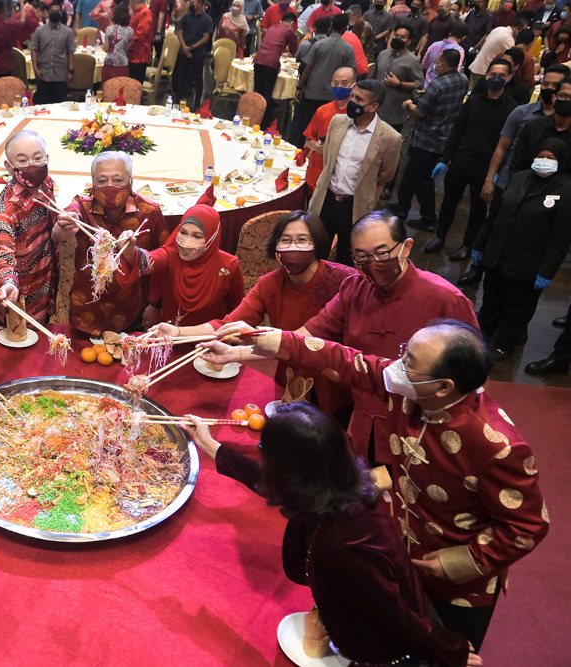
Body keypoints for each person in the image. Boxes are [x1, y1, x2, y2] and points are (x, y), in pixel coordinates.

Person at [207, 319, 548, 650]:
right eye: (404, 352)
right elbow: (343, 359)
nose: (396, 365)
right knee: (392, 631)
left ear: (444, 387)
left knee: (445, 650)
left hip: (458, 579)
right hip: (397, 545)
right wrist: (266, 339)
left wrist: (460, 561)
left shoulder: (497, 446)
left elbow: (528, 526)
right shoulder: (412, 388)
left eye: (409, 362)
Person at [185, 404, 478, 666]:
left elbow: (394, 612)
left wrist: (451, 651)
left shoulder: (346, 541)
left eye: (265, 452)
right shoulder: (332, 482)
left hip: (386, 649)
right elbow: (268, 482)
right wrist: (211, 445)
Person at [280, 211, 477, 468]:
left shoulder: (446, 299)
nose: (372, 263)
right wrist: (250, 342)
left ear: (406, 248)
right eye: (361, 256)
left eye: (382, 254)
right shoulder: (354, 288)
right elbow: (308, 335)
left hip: (419, 429)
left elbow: (471, 379)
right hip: (363, 420)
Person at [160, 211, 356, 415]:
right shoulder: (269, 285)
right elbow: (228, 324)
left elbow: (305, 338)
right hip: (289, 377)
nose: (292, 247)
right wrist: (178, 333)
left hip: (334, 383)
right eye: (285, 240)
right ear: (275, 246)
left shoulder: (343, 280)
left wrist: (238, 352)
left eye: (302, 240)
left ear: (317, 243)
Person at [467, 64, 570, 287]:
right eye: (547, 85)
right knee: (496, 229)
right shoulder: (530, 122)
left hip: (551, 200)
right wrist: (497, 181)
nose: (550, 90)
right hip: (515, 186)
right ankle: (480, 269)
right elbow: (511, 155)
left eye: (556, 87)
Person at [470, 139, 571, 361]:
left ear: (561, 161)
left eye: (550, 158)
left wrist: (546, 271)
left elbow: (560, 238)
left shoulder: (566, 190)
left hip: (529, 264)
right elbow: (495, 214)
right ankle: (480, 337)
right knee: (491, 302)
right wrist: (480, 245)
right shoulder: (519, 178)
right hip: (498, 255)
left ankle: (505, 344)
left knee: (517, 310)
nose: (544, 161)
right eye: (541, 156)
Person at [51, 151, 168, 334]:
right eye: (102, 180)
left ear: (131, 181)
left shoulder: (148, 212)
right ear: (92, 183)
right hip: (85, 309)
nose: (110, 186)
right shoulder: (82, 207)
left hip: (130, 309)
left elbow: (164, 262)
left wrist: (156, 305)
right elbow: (61, 230)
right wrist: (62, 226)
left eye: (118, 180)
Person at [422, 59, 518, 259]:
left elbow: (507, 146)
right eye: (493, 75)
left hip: (485, 164)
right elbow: (457, 131)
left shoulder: (511, 109)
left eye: (501, 76)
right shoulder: (473, 102)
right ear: (486, 75)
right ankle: (440, 236)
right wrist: (445, 158)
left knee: (478, 208)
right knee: (449, 201)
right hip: (461, 158)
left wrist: (495, 174)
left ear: (509, 78)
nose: (496, 79)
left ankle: (468, 245)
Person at [309, 80, 402, 265]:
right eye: (352, 95)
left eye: (358, 99)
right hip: (326, 201)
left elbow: (386, 175)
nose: (352, 101)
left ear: (373, 106)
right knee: (313, 255)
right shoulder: (337, 122)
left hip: (354, 208)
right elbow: (328, 159)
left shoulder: (390, 137)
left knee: (346, 261)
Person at [118, 204, 244, 328]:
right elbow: (144, 262)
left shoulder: (229, 266)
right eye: (183, 232)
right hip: (168, 338)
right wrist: (129, 250)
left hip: (210, 342)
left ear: (212, 237)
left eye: (197, 236)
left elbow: (238, 311)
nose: (186, 241)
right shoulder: (171, 255)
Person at [0, 130, 59, 322]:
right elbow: (1, 250)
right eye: (22, 161)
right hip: (19, 297)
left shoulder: (47, 184)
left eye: (37, 158)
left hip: (46, 280)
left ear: (47, 158)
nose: (32, 166)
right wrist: (8, 282)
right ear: (9, 167)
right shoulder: (6, 210)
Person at [393, 49, 466, 232]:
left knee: (423, 179)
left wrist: (408, 104)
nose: (435, 65)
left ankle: (429, 217)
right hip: (445, 135)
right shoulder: (462, 79)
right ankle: (402, 206)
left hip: (428, 138)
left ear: (444, 64)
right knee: (410, 172)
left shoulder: (437, 84)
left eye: (438, 62)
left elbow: (420, 111)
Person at [297, 13, 358, 142]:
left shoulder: (318, 45)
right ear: (345, 28)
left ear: (331, 26)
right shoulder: (348, 48)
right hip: (333, 95)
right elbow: (351, 73)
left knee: (306, 125)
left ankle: (302, 152)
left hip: (313, 92)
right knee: (327, 127)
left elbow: (307, 69)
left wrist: (299, 87)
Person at [302, 66, 354, 192]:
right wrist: (316, 146)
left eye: (344, 83)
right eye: (335, 83)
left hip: (340, 180)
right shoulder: (322, 111)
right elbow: (309, 141)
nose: (339, 86)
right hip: (316, 174)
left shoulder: (357, 115)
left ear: (354, 86)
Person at [254, 10, 299, 129]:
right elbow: (294, 47)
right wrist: (295, 56)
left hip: (258, 59)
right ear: (291, 23)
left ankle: (253, 116)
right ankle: (264, 123)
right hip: (271, 62)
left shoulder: (272, 27)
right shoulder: (289, 30)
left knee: (257, 90)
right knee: (266, 93)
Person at [30, 1, 75, 103]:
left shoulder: (67, 32)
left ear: (61, 13)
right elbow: (34, 49)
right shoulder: (39, 31)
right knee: (42, 107)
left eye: (57, 11)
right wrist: (35, 69)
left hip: (60, 76)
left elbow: (70, 52)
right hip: (43, 75)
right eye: (52, 11)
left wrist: (71, 71)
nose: (55, 13)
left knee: (60, 107)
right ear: (48, 13)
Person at [173, 0, 214, 110]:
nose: (191, 4)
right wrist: (184, 47)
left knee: (198, 77)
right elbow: (179, 32)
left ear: (201, 4)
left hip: (198, 53)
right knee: (182, 76)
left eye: (194, 2)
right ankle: (178, 98)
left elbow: (205, 38)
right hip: (185, 50)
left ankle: (197, 101)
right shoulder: (186, 16)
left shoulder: (207, 19)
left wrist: (191, 48)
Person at [468, 19, 525, 89]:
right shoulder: (508, 39)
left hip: (478, 64)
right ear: (517, 28)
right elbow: (514, 55)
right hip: (485, 71)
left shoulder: (499, 28)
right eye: (523, 31)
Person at [421, 20, 467, 86]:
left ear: (450, 33)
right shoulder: (459, 50)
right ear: (464, 37)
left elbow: (424, 65)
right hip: (444, 86)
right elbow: (457, 71)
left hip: (428, 85)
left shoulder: (434, 45)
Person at [102, 3, 134, 83]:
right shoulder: (130, 31)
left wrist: (101, 46)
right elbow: (126, 49)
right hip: (123, 64)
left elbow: (106, 48)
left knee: (108, 89)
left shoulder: (109, 29)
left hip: (110, 63)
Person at [463, 0, 493, 66]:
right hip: (464, 43)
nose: (476, 3)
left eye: (479, 2)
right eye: (476, 2)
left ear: (485, 3)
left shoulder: (488, 17)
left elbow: (486, 34)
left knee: (468, 67)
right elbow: (464, 24)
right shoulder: (472, 12)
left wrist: (476, 48)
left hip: (473, 45)